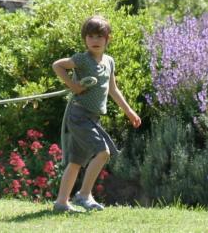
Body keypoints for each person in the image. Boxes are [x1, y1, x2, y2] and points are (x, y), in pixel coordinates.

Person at [51, 15, 141, 212]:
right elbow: (57, 65)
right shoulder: (82, 59)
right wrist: (73, 86)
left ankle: (61, 203)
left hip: (92, 118)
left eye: (99, 36)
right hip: (79, 116)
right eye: (90, 36)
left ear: (108, 38)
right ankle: (83, 195)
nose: (95, 41)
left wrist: (129, 112)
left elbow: (113, 90)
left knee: (76, 162)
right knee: (103, 152)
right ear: (85, 39)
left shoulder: (109, 61)